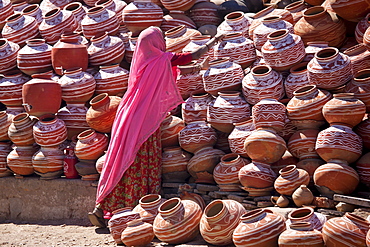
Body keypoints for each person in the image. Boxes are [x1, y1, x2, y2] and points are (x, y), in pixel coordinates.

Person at [88, 26, 224, 228]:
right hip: (143, 122)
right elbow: (188, 56)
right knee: (139, 161)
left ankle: (106, 206)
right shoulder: (159, 61)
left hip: (126, 117)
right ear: (155, 43)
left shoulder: (141, 64)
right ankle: (138, 207)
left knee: (121, 161)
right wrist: (213, 42)